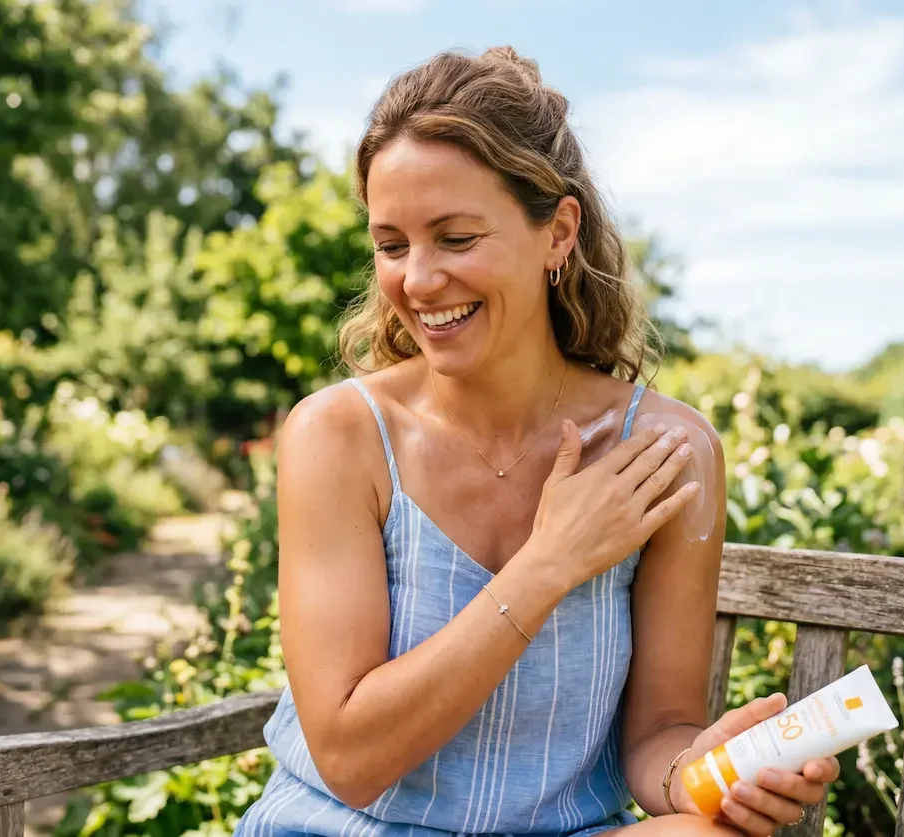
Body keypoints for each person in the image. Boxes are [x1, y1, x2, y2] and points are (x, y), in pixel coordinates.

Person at [234, 46, 839, 837]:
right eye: (391, 245)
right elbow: (351, 755)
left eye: (455, 238)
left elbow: (659, 732)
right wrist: (550, 561)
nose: (417, 280)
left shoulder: (666, 451)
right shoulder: (340, 435)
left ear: (557, 233)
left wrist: (701, 774)